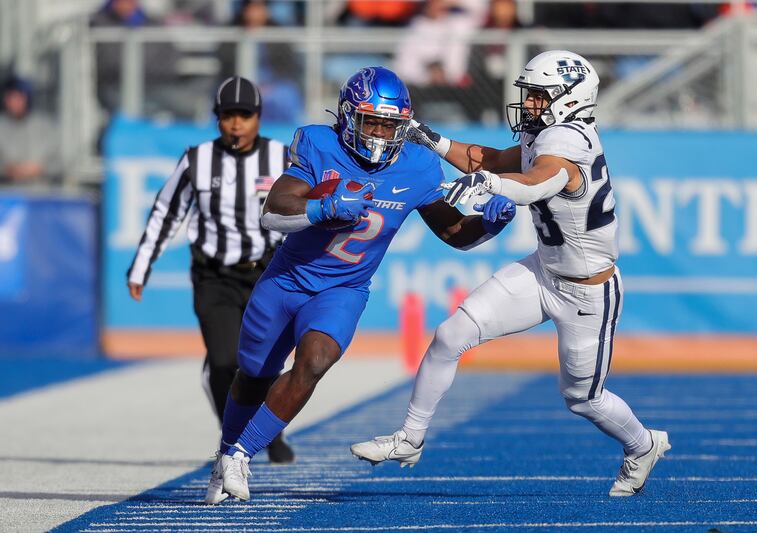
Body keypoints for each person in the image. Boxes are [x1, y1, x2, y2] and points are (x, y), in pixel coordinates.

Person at [351, 51, 671, 497]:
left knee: (582, 399)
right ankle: (410, 437)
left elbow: (540, 180)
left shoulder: (568, 142)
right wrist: (429, 139)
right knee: (450, 335)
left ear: (569, 99)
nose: (530, 104)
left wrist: (494, 186)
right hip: (543, 271)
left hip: (587, 293)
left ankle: (643, 444)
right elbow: (492, 158)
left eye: (539, 96)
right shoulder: (543, 134)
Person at [204, 66, 517, 505]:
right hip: (287, 280)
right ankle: (225, 452)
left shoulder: (418, 164)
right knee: (253, 375)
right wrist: (324, 207)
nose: (380, 133)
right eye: (371, 121)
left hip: (343, 290)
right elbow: (273, 212)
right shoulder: (320, 143)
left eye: (390, 124)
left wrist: (487, 225)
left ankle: (239, 455)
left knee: (315, 361)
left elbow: (454, 234)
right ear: (349, 116)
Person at [127, 76, 295, 465]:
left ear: (259, 117)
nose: (236, 123)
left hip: (264, 273)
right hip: (214, 275)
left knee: (264, 362)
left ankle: (272, 431)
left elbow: (301, 211)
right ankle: (234, 442)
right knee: (224, 362)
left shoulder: (281, 158)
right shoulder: (197, 160)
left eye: (245, 115)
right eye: (227, 115)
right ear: (216, 118)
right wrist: (141, 267)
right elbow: (167, 213)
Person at [0, 76, 62, 184]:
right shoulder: (2, 125)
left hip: (41, 191)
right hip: (6, 191)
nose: (14, 103)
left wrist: (39, 169)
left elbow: (59, 162)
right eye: (10, 98)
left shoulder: (44, 126)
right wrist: (9, 170)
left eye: (19, 97)